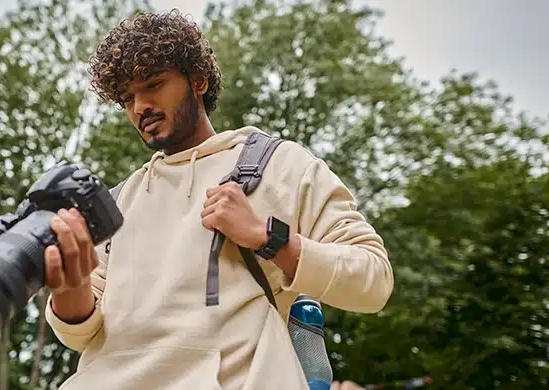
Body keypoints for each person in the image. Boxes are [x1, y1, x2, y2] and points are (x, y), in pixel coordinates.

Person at [42, 9, 394, 390]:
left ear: (199, 80)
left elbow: (372, 280)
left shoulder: (279, 165)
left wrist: (265, 237)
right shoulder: (119, 201)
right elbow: (79, 334)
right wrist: (68, 284)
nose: (139, 106)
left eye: (153, 84)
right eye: (127, 97)